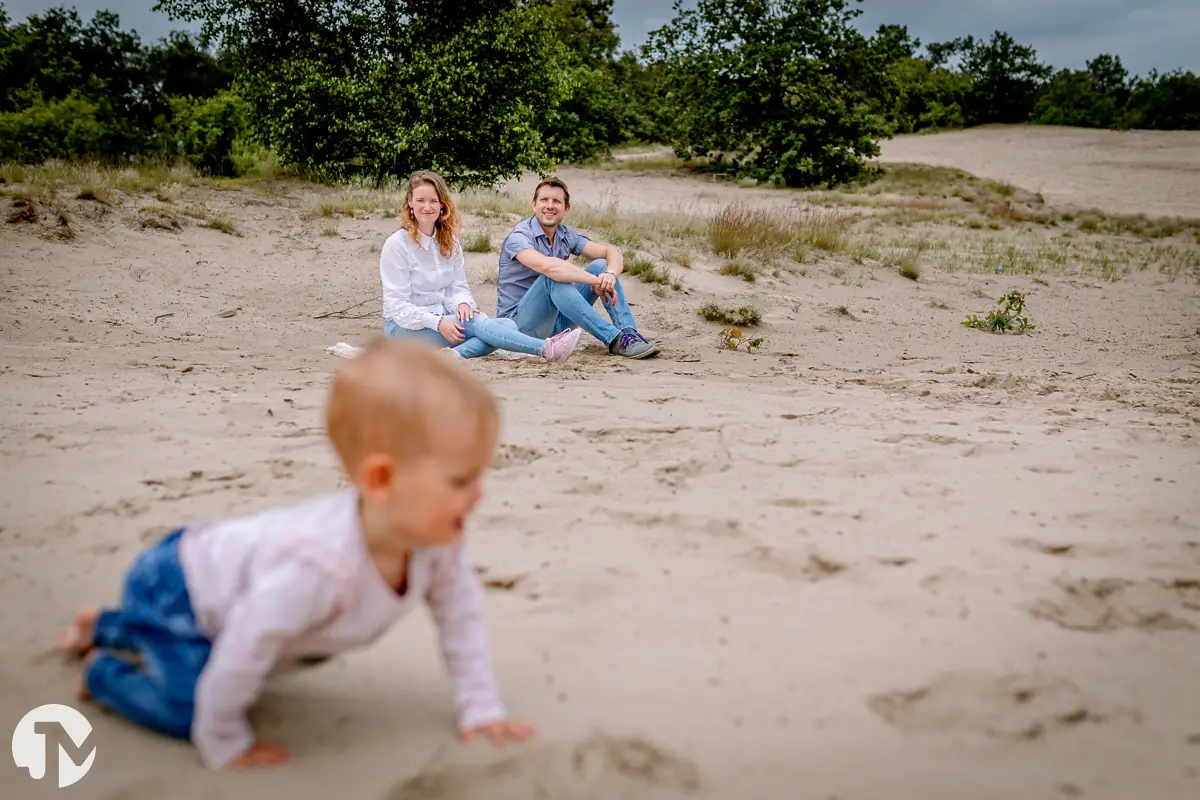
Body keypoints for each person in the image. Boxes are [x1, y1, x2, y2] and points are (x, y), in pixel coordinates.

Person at [53, 338, 536, 770]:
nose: (479, 496)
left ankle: (104, 624)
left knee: (205, 651)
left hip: (224, 587)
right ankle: (104, 672)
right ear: (381, 481)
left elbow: (461, 619)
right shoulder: (319, 566)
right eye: (460, 481)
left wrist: (481, 708)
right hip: (179, 585)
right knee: (193, 706)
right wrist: (224, 739)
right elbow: (246, 644)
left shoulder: (438, 544)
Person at [383, 170, 581, 363]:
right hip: (403, 329)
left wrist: (462, 305)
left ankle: (454, 355)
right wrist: (439, 323)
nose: (427, 207)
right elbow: (399, 309)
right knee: (481, 325)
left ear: (442, 204)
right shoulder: (397, 245)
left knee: (507, 325)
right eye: (420, 200)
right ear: (410, 202)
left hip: (444, 319)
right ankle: (546, 349)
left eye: (433, 201)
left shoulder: (449, 242)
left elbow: (458, 287)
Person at [496, 176, 661, 359]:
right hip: (519, 328)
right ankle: (614, 339)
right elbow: (549, 268)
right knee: (552, 279)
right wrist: (594, 281)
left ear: (566, 209)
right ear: (534, 205)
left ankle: (629, 334)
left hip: (557, 325)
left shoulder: (565, 234)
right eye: (544, 200)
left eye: (556, 201)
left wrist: (610, 275)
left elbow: (611, 252)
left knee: (602, 265)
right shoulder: (519, 236)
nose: (550, 206)